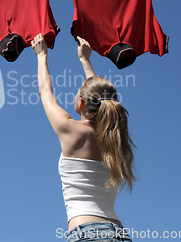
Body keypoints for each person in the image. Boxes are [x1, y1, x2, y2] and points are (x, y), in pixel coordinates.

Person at [32, 33, 136, 242]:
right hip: (118, 232)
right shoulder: (116, 139)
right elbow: (102, 96)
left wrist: (41, 55)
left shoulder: (72, 130)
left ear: (81, 103)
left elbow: (45, 91)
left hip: (87, 233)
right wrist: (85, 60)